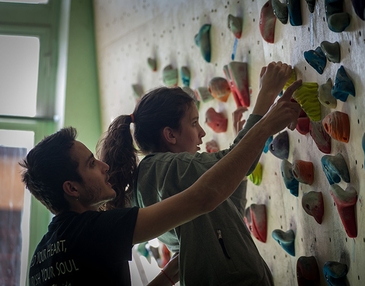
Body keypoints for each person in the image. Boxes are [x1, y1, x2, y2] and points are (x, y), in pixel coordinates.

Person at [20, 76, 302, 286]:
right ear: (71, 189)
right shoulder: (92, 231)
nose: (104, 167)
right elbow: (204, 196)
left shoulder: (41, 259)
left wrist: (177, 268)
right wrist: (265, 123)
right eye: (92, 164)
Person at [98, 61, 299, 285]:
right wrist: (267, 95)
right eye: (194, 123)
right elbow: (231, 165)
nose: (202, 133)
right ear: (170, 135)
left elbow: (225, 205)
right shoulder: (165, 168)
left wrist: (243, 144)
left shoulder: (153, 177)